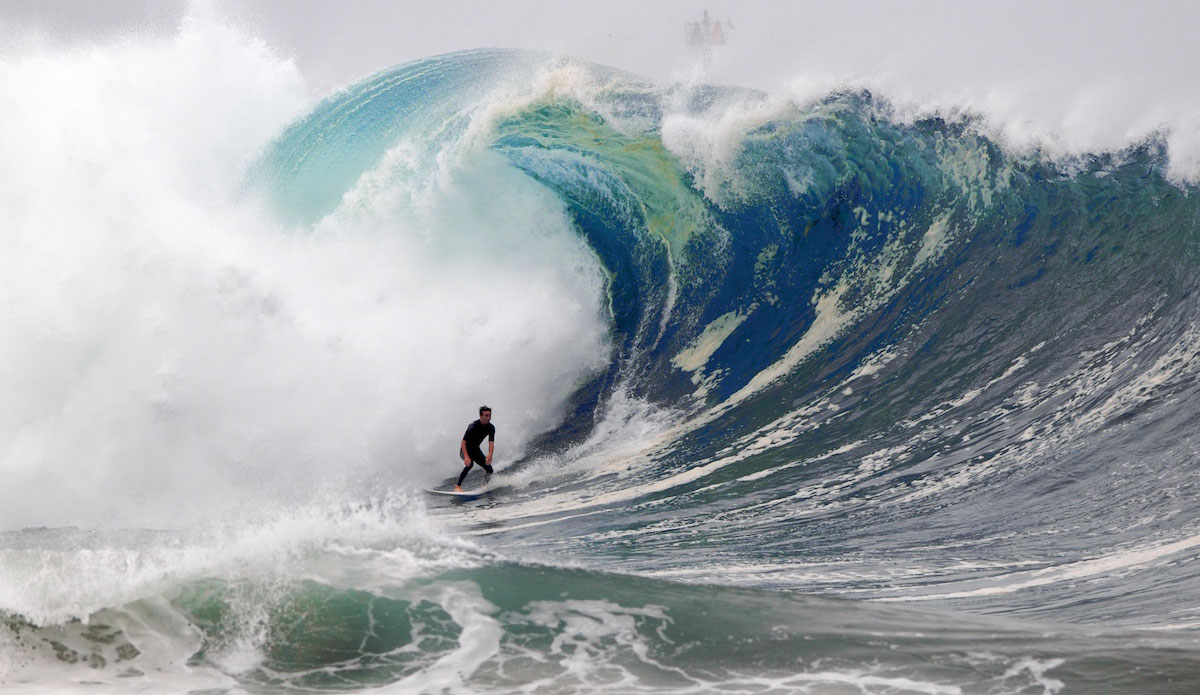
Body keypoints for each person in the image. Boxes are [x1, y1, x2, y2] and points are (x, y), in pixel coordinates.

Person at [455, 406, 495, 491]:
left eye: (489, 415)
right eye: (486, 415)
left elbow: (491, 442)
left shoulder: (491, 427)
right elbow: (463, 442)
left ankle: (484, 487)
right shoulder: (473, 426)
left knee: (489, 469)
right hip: (465, 450)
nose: (489, 418)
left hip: (475, 450)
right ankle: (458, 486)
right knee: (470, 464)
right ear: (481, 416)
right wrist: (466, 457)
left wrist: (490, 454)